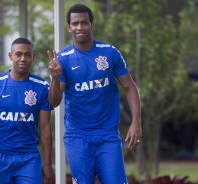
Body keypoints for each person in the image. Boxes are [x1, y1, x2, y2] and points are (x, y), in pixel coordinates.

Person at [48, 4, 142, 184]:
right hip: (77, 136)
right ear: (69, 27)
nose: (79, 27)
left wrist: (136, 122)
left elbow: (130, 87)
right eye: (75, 24)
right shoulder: (63, 59)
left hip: (108, 135)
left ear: (92, 25)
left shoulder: (110, 53)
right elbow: (53, 102)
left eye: (84, 22)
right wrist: (55, 78)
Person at [0, 37, 53, 184]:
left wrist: (48, 162)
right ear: (10, 56)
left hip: (29, 158)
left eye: (27, 54)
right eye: (18, 54)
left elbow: (45, 127)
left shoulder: (41, 86)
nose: (23, 58)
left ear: (32, 57)